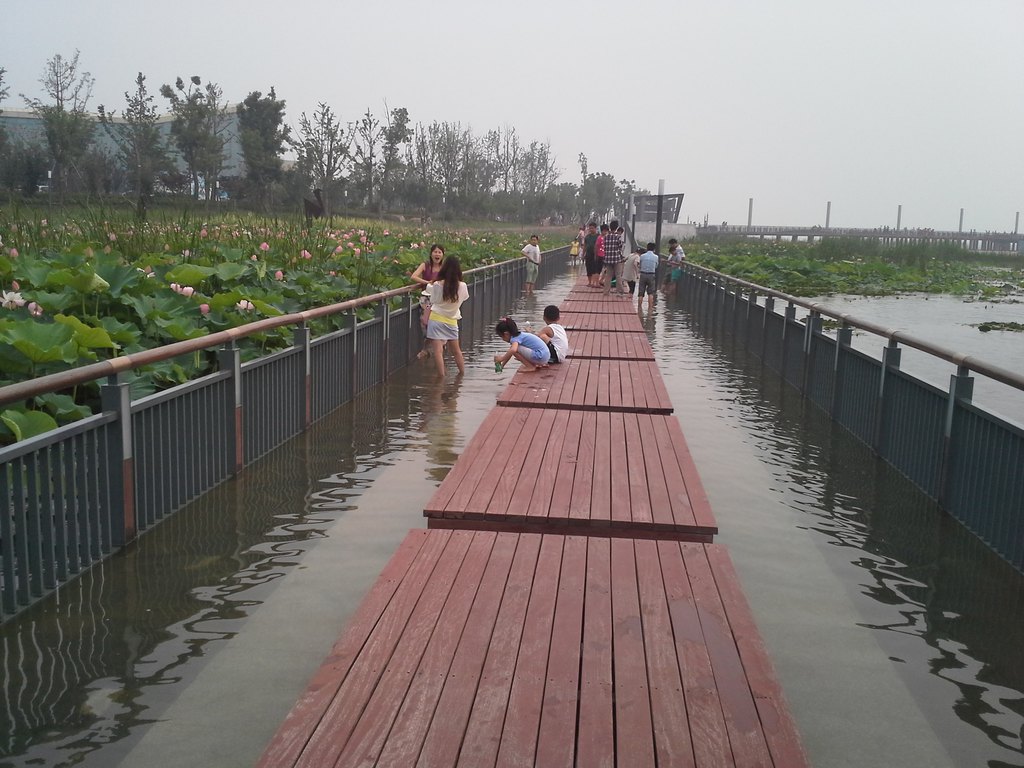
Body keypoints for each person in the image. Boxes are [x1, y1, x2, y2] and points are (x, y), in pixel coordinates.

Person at [426, 256, 469, 377]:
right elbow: (465, 297)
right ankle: (462, 375)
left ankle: (441, 379)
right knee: (456, 351)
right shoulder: (463, 286)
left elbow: (433, 299)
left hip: (436, 319)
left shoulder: (438, 285)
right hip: (451, 320)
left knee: (438, 352)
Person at [411, 244, 446, 359]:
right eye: (435, 252)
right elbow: (414, 276)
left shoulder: (444, 267)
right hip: (427, 300)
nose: (437, 254)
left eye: (439, 252)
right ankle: (428, 348)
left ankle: (435, 347)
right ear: (431, 253)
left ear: (443, 255)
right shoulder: (425, 265)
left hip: (440, 299)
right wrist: (427, 282)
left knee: (438, 323)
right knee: (426, 323)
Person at [601, 220, 624, 296]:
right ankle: (619, 292)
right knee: (618, 275)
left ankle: (606, 291)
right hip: (617, 259)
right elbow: (620, 247)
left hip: (608, 259)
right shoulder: (618, 237)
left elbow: (604, 246)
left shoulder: (606, 237)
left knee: (608, 276)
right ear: (617, 227)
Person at [637, 242, 659, 310]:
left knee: (641, 292)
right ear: (654, 249)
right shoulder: (656, 257)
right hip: (651, 275)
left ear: (647, 248)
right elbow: (656, 266)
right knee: (650, 293)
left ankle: (639, 308)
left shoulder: (642, 256)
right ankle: (650, 309)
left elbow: (640, 265)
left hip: (643, 274)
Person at [583, 221, 600, 287]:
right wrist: (583, 254)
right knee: (588, 268)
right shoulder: (587, 237)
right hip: (588, 255)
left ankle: (593, 282)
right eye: (590, 228)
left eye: (592, 228)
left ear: (595, 228)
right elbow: (585, 246)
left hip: (596, 255)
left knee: (595, 269)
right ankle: (589, 282)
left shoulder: (598, 236)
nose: (591, 229)